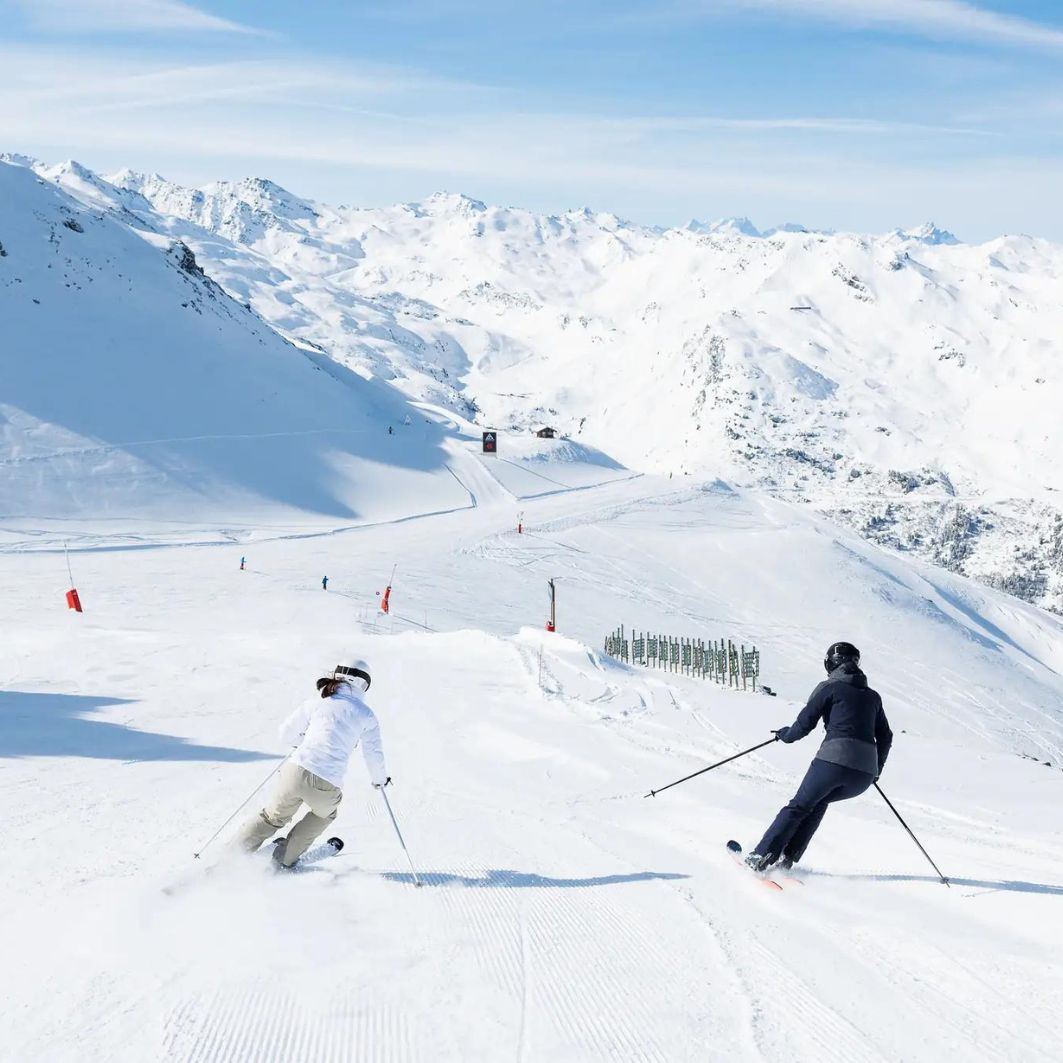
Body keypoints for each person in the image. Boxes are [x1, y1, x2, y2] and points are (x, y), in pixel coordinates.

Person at [746, 642, 892, 872]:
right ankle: (788, 858)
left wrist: (785, 735)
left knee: (798, 806)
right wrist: (877, 768)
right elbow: (886, 735)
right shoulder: (873, 697)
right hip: (863, 776)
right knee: (819, 802)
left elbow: (803, 725)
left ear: (831, 663)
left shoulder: (829, 687)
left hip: (833, 763)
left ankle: (761, 856)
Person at [233, 657, 390, 868]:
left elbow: (285, 734)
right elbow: (373, 754)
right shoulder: (366, 715)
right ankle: (283, 859)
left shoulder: (318, 703)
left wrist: (303, 743)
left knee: (272, 817)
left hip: (295, 771)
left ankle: (232, 856)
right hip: (327, 783)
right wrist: (379, 780)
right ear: (364, 684)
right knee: (324, 814)